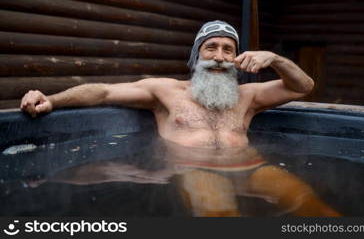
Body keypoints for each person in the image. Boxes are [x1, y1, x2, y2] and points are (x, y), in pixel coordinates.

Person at [20, 20, 340, 217]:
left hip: (251, 166)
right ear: (195, 56)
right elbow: (102, 92)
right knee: (220, 215)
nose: (219, 56)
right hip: (194, 169)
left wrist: (276, 59)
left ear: (237, 59)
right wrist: (52, 100)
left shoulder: (249, 96)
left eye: (228, 50)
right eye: (210, 47)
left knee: (314, 209)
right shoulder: (167, 92)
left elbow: (303, 87)